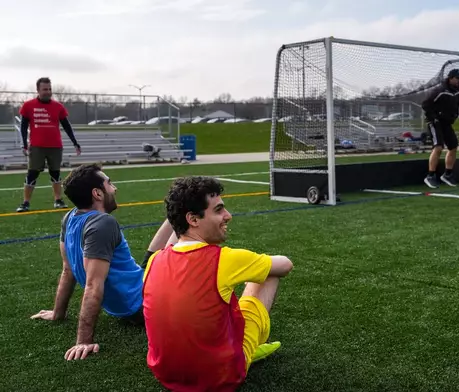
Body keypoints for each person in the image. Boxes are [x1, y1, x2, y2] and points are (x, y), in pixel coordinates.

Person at [142, 176, 293, 392]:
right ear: (193, 219)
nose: (228, 216)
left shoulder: (155, 260)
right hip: (220, 378)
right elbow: (286, 265)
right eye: (219, 210)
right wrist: (256, 263)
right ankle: (247, 348)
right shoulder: (224, 258)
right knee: (268, 272)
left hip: (165, 374)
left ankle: (238, 344)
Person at [30, 163, 177, 361]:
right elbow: (93, 285)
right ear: (97, 194)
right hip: (142, 303)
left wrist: (58, 313)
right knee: (191, 232)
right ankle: (185, 215)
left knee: (168, 233)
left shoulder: (70, 217)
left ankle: (179, 211)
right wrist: (83, 340)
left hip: (136, 284)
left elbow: (68, 269)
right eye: (109, 183)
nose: (114, 188)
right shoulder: (102, 223)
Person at [16, 77, 82, 213]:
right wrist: (24, 144)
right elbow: (23, 127)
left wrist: (75, 143)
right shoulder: (28, 106)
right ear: (38, 90)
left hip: (55, 146)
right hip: (37, 146)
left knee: (55, 173)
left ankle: (58, 200)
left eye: (49, 89)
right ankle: (25, 202)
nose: (48, 92)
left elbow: (67, 126)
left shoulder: (58, 107)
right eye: (45, 89)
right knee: (32, 174)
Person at [421, 68, 459, 188]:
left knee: (453, 146)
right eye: (457, 78)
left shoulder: (457, 92)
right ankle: (430, 175)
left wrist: (454, 116)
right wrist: (434, 117)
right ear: (451, 78)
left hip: (446, 122)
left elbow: (456, 106)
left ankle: (448, 174)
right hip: (434, 122)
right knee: (438, 147)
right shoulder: (440, 90)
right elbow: (425, 104)